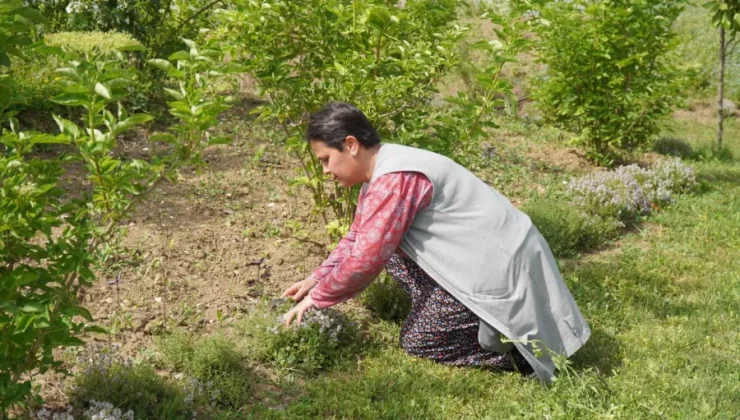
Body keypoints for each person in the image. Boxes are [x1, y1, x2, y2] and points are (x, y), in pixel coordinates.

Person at [280, 102, 590, 384]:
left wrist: (319, 298)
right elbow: (358, 238)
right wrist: (316, 278)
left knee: (419, 341)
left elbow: (366, 258)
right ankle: (455, 314)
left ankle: (517, 352)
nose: (325, 171)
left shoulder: (393, 179)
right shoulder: (385, 170)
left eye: (326, 160)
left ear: (350, 145)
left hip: (500, 269)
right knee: (391, 252)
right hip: (489, 257)